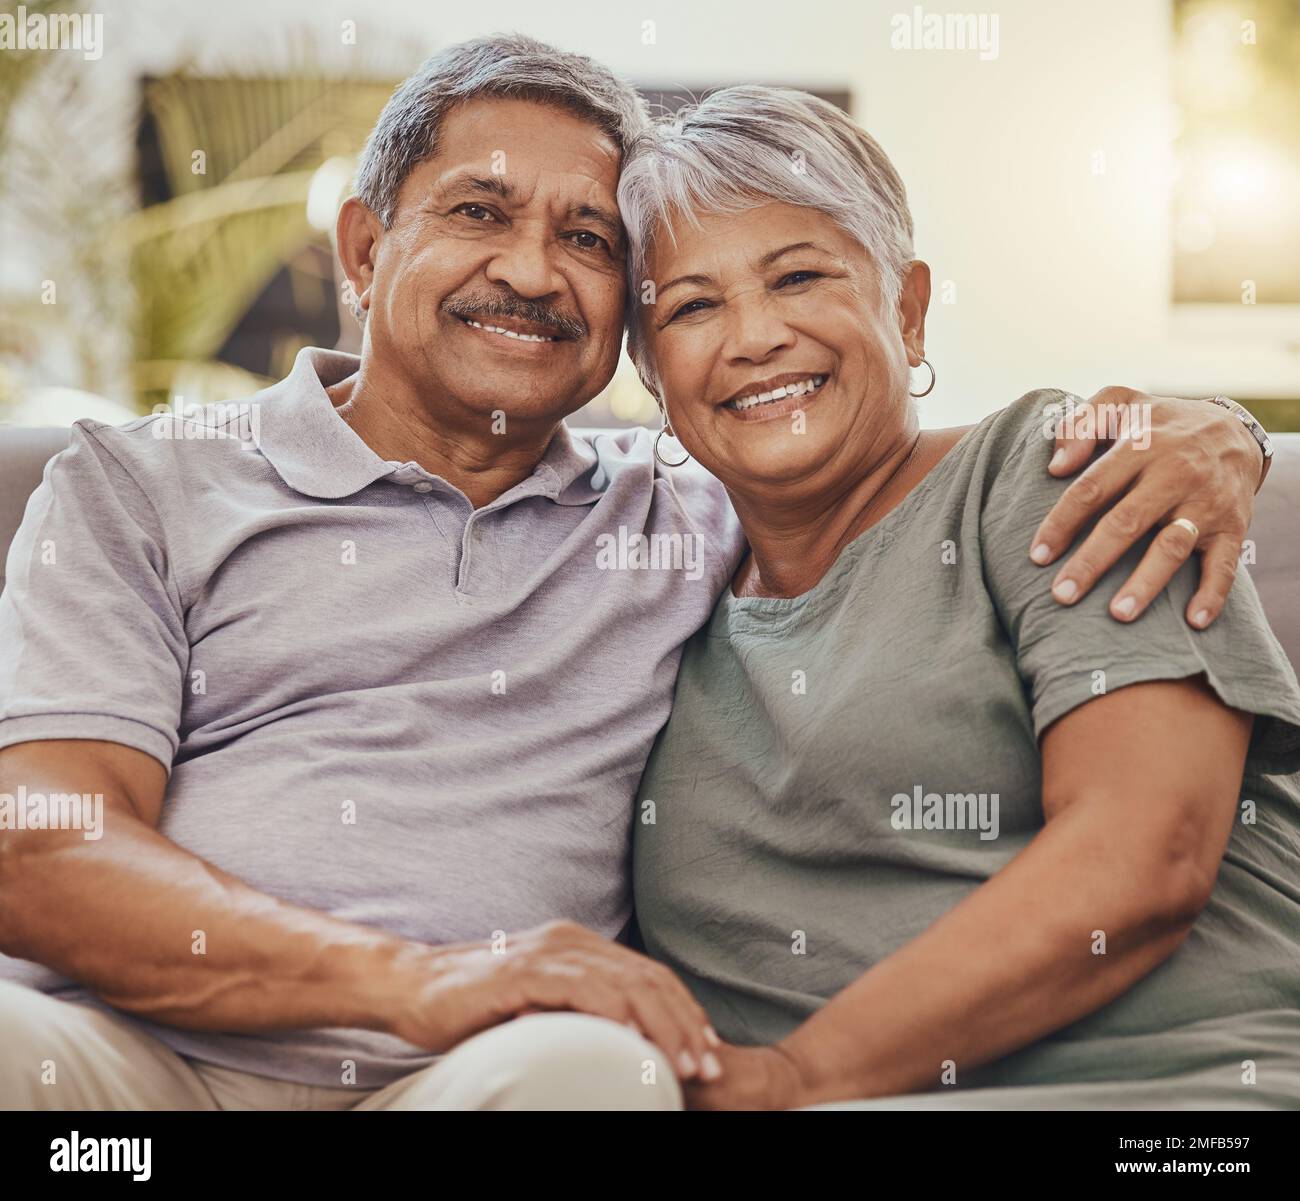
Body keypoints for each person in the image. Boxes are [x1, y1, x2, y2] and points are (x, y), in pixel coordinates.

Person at [0, 37, 1276, 1111]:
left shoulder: (691, 511)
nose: (531, 270)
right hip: (135, 1054)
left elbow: (877, 472)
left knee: (591, 1074)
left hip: (481, 1076)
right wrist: (414, 976)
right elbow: (36, 846)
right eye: (478, 212)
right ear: (364, 245)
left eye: (589, 240)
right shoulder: (138, 485)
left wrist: (1215, 431)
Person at [621, 85, 1300, 1110]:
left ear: (905, 306)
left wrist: (798, 1077)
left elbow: (1145, 856)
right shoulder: (650, 588)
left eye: (798, 275)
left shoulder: (1057, 470)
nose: (753, 336)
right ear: (648, 368)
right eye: (691, 305)